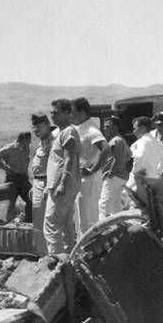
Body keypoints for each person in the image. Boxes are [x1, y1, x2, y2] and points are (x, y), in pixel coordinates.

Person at [44, 99, 82, 254]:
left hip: (63, 184)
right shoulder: (62, 132)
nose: (52, 115)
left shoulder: (68, 132)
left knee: (51, 224)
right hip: (61, 184)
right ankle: (68, 261)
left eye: (56, 112)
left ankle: (55, 261)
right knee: (66, 225)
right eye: (51, 112)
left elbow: (69, 158)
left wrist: (62, 184)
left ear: (67, 113)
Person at [70, 98, 111, 235]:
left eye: (73, 112)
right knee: (79, 218)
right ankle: (82, 250)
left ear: (82, 113)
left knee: (88, 220)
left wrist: (93, 169)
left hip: (90, 180)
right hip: (80, 180)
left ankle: (90, 251)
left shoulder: (91, 129)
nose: (71, 115)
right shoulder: (80, 128)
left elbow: (106, 149)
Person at [0, 132, 32, 222]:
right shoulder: (9, 148)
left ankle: (29, 221)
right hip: (13, 178)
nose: (30, 142)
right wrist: (6, 169)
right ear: (23, 140)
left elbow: (26, 160)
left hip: (23, 178)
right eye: (28, 140)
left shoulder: (26, 149)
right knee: (10, 201)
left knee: (31, 197)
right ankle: (6, 222)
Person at [30, 113, 54, 254]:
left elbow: (54, 166)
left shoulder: (52, 143)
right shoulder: (41, 143)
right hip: (38, 182)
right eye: (34, 127)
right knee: (38, 223)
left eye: (39, 126)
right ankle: (42, 255)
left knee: (47, 222)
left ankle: (50, 255)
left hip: (46, 183)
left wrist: (46, 186)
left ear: (47, 124)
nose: (36, 130)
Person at [127, 116, 163, 191]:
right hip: (153, 182)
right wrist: (157, 173)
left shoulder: (142, 142)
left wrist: (138, 172)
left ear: (143, 128)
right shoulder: (158, 143)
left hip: (138, 181)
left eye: (135, 128)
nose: (133, 132)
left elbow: (139, 157)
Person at [98, 116, 131, 218]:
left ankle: (102, 230)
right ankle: (119, 228)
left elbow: (117, 159)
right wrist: (121, 165)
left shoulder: (115, 141)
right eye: (104, 127)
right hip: (121, 176)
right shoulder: (121, 139)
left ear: (115, 127)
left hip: (114, 177)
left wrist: (110, 173)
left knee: (103, 205)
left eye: (108, 126)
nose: (105, 129)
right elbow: (129, 154)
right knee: (116, 207)